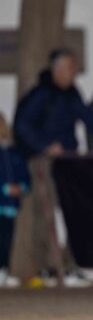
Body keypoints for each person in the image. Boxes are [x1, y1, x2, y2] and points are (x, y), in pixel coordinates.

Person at [13, 48, 93, 285]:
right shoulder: (41, 94)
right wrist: (45, 145)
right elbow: (22, 125)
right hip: (43, 161)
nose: (74, 72)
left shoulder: (71, 94)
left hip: (67, 161)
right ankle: (48, 268)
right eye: (70, 67)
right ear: (56, 69)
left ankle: (69, 264)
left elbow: (90, 120)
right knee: (46, 213)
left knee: (74, 208)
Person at [0, 113, 30, 288]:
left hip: (10, 206)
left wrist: (21, 187)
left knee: (7, 240)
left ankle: (4, 270)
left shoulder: (13, 153)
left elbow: (25, 176)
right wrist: (4, 189)